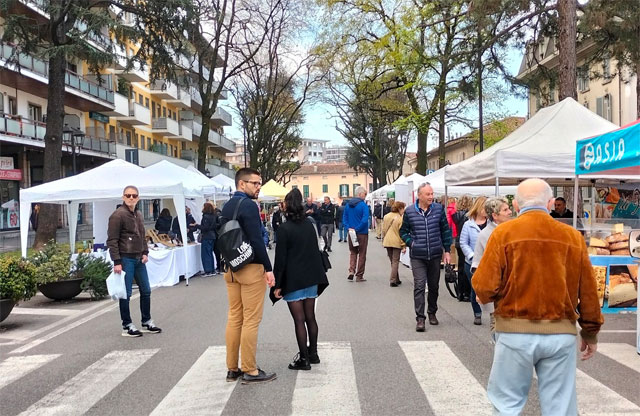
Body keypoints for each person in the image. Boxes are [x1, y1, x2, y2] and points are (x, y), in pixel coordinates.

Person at [473, 179, 603, 415]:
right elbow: (588, 291)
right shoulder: (572, 237)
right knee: (560, 407)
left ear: (516, 206)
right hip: (560, 331)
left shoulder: (503, 234)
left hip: (514, 330)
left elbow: (484, 287)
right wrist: (590, 331)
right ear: (551, 202)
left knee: (507, 405)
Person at [220, 167, 277, 384]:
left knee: (235, 317)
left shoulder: (227, 206)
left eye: (259, 183)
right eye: (254, 183)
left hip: (231, 268)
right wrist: (268, 268)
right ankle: (250, 369)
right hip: (250, 267)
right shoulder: (249, 207)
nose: (258, 187)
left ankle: (232, 368)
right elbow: (256, 240)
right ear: (241, 184)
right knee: (251, 320)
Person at [271, 188, 329, 371]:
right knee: (311, 317)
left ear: (287, 206)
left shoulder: (284, 229)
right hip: (311, 276)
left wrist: (277, 285)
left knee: (299, 320)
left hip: (294, 280)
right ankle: (313, 354)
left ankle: (303, 358)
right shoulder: (309, 225)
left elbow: (280, 260)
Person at [107, 185, 162, 337]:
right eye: (128, 195)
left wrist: (145, 252)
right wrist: (117, 261)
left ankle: (146, 321)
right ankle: (127, 325)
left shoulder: (138, 214)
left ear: (138, 198)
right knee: (126, 293)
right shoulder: (117, 216)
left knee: (146, 290)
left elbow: (141, 235)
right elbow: (112, 240)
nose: (131, 198)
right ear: (123, 197)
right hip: (125, 258)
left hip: (138, 258)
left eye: (134, 195)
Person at [400, 182, 452, 331]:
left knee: (434, 286)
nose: (431, 197)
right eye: (428, 194)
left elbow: (445, 230)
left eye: (432, 193)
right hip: (418, 255)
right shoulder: (410, 212)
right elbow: (403, 231)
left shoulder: (438, 209)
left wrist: (447, 250)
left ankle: (432, 312)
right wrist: (411, 243)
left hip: (435, 254)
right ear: (420, 195)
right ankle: (420, 318)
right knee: (419, 285)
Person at [471, 197, 513, 338]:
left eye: (509, 208)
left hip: (514, 288)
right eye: (505, 210)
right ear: (495, 216)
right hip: (497, 289)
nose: (509, 212)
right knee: (497, 329)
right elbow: (477, 264)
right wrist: (479, 290)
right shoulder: (485, 235)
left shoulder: (514, 230)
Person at [459, 196, 488, 325]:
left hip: (489, 262)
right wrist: (472, 256)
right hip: (472, 263)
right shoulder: (468, 224)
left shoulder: (492, 224)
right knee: (474, 289)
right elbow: (463, 243)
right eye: (485, 207)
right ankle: (477, 313)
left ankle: (494, 312)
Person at [343, 186, 370, 282]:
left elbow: (344, 218)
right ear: (360, 194)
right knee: (362, 254)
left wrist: (348, 228)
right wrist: (357, 228)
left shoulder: (348, 205)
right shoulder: (363, 206)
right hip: (362, 233)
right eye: (364, 194)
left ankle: (351, 270)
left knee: (353, 252)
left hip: (351, 232)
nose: (365, 196)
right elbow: (365, 219)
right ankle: (359, 275)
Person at [452, 195, 472, 301]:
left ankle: (460, 292)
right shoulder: (469, 216)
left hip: (458, 241)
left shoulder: (456, 215)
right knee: (467, 266)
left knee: (460, 267)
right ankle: (467, 292)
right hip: (467, 242)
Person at [382, 201, 406, 287]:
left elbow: (384, 229)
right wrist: (404, 245)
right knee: (395, 261)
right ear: (400, 208)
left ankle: (397, 278)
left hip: (387, 241)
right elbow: (401, 233)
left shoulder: (386, 216)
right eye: (403, 208)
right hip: (396, 241)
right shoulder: (400, 219)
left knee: (392, 261)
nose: (404, 210)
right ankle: (393, 280)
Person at [197, 203, 218, 276]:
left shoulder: (206, 216)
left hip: (207, 236)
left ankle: (208, 270)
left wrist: (197, 226)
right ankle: (211, 270)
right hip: (212, 236)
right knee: (210, 253)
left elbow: (205, 227)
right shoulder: (213, 216)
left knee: (206, 253)